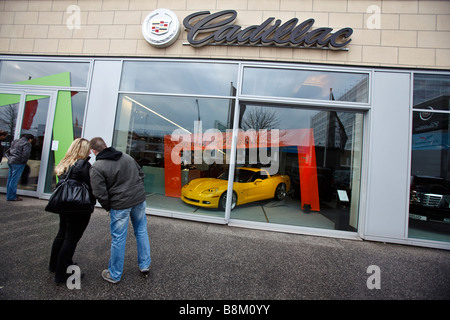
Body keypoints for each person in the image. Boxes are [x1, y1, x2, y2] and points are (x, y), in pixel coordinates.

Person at [89, 137, 151, 284]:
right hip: (138, 200)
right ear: (106, 145)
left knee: (118, 238)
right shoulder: (127, 157)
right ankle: (145, 265)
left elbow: (99, 192)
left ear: (93, 151)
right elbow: (141, 175)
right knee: (141, 231)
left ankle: (115, 274)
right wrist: (137, 191)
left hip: (120, 205)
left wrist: (108, 207)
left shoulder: (97, 166)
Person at [48, 138, 94, 285]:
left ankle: (54, 265)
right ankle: (62, 274)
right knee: (71, 238)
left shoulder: (65, 162)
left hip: (64, 203)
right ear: (84, 150)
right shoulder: (83, 164)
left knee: (61, 234)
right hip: (78, 207)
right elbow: (91, 185)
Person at [6, 133, 34, 201]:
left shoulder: (15, 141)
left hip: (11, 161)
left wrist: (9, 158)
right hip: (18, 163)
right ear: (29, 139)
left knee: (10, 179)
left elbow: (8, 151)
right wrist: (24, 162)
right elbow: (26, 154)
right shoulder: (27, 143)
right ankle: (11, 196)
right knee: (14, 180)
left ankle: (9, 195)